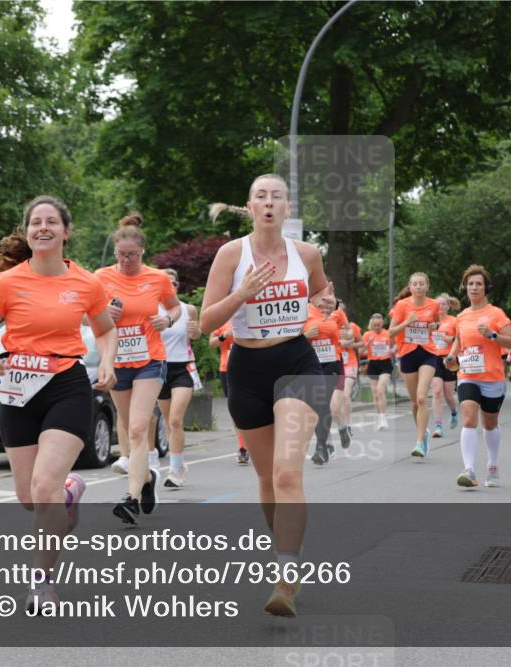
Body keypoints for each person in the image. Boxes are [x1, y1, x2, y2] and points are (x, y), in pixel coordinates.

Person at [0, 195, 117, 612]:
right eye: (36, 222)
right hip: (18, 388)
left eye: (51, 221)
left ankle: (41, 582)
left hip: (66, 384)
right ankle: (69, 494)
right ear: (28, 231)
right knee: (29, 499)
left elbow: (106, 331)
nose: (43, 228)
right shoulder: (8, 282)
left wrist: (107, 362)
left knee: (43, 486)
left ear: (65, 232)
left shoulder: (86, 283)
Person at [201, 174, 332, 618]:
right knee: (266, 479)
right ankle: (286, 552)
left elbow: (323, 294)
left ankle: (286, 577)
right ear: (250, 206)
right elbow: (205, 322)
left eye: (277, 196)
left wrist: (328, 305)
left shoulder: (307, 254)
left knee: (287, 474)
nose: (270, 203)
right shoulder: (231, 254)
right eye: (262, 196)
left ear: (288, 208)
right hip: (247, 369)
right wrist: (243, 294)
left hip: (297, 361)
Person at [94, 214, 182, 526]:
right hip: (118, 361)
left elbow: (175, 306)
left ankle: (130, 499)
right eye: (121, 255)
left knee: (137, 429)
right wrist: (106, 315)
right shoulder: (101, 277)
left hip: (150, 360)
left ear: (142, 251)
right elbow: (87, 318)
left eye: (133, 255)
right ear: (115, 252)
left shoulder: (157, 278)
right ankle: (146, 479)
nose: (127, 260)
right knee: (129, 426)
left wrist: (167, 320)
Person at [444, 264, 511, 489]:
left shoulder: (496, 314)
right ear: (465, 288)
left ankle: (492, 466)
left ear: (486, 288)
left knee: (490, 423)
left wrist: (493, 335)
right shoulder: (462, 317)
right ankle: (469, 470)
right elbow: (458, 339)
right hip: (467, 374)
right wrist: (451, 355)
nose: (474, 288)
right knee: (468, 417)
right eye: (470, 284)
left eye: (478, 284)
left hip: (492, 377)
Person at [389, 273, 442, 457]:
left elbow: (436, 323)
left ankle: (419, 442)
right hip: (407, 354)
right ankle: (423, 432)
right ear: (410, 287)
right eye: (415, 284)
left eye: (421, 284)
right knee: (414, 402)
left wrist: (434, 327)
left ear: (427, 286)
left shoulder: (434, 304)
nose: (418, 287)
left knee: (421, 398)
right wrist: (407, 322)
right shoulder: (401, 306)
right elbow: (391, 331)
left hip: (428, 352)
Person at [157, 268, 201, 488]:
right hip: (158, 369)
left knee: (175, 419)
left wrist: (195, 331)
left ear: (177, 286)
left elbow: (197, 334)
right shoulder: (151, 310)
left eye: (173, 283)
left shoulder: (187, 309)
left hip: (181, 368)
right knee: (167, 422)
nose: (169, 287)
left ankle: (174, 471)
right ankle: (179, 462)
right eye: (165, 283)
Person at [303, 294, 344, 465]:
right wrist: (305, 335)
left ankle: (321, 447)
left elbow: (348, 331)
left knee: (322, 403)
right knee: (315, 407)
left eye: (326, 298)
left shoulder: (337, 314)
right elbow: (290, 338)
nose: (322, 302)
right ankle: (326, 442)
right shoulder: (304, 311)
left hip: (332, 364)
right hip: (311, 364)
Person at [209, 322, 249, 464]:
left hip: (250, 368)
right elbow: (212, 343)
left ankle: (251, 441)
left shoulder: (250, 314)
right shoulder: (223, 319)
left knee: (250, 407)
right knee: (235, 409)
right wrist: (224, 336)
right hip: (227, 369)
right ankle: (242, 445)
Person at [430, 293, 460, 437]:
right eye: (438, 304)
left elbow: (460, 340)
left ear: (448, 306)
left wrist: (451, 338)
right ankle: (437, 426)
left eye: (443, 304)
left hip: (449, 359)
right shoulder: (430, 321)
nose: (440, 306)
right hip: (433, 359)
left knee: (448, 395)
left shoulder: (454, 321)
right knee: (437, 392)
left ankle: (454, 412)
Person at [337, 301, 363, 449]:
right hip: (336, 362)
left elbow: (362, 343)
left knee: (346, 395)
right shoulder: (329, 325)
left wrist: (350, 345)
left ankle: (348, 425)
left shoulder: (352, 327)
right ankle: (341, 424)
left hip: (350, 363)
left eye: (340, 312)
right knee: (336, 399)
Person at [363, 314, 393, 430]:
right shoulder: (367, 335)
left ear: (382, 324)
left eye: (379, 325)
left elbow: (396, 345)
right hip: (373, 364)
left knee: (380, 390)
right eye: (375, 325)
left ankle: (383, 417)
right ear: (371, 325)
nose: (377, 327)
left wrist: (392, 350)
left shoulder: (387, 333)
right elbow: (361, 351)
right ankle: (380, 416)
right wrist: (367, 343)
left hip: (385, 363)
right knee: (375, 394)